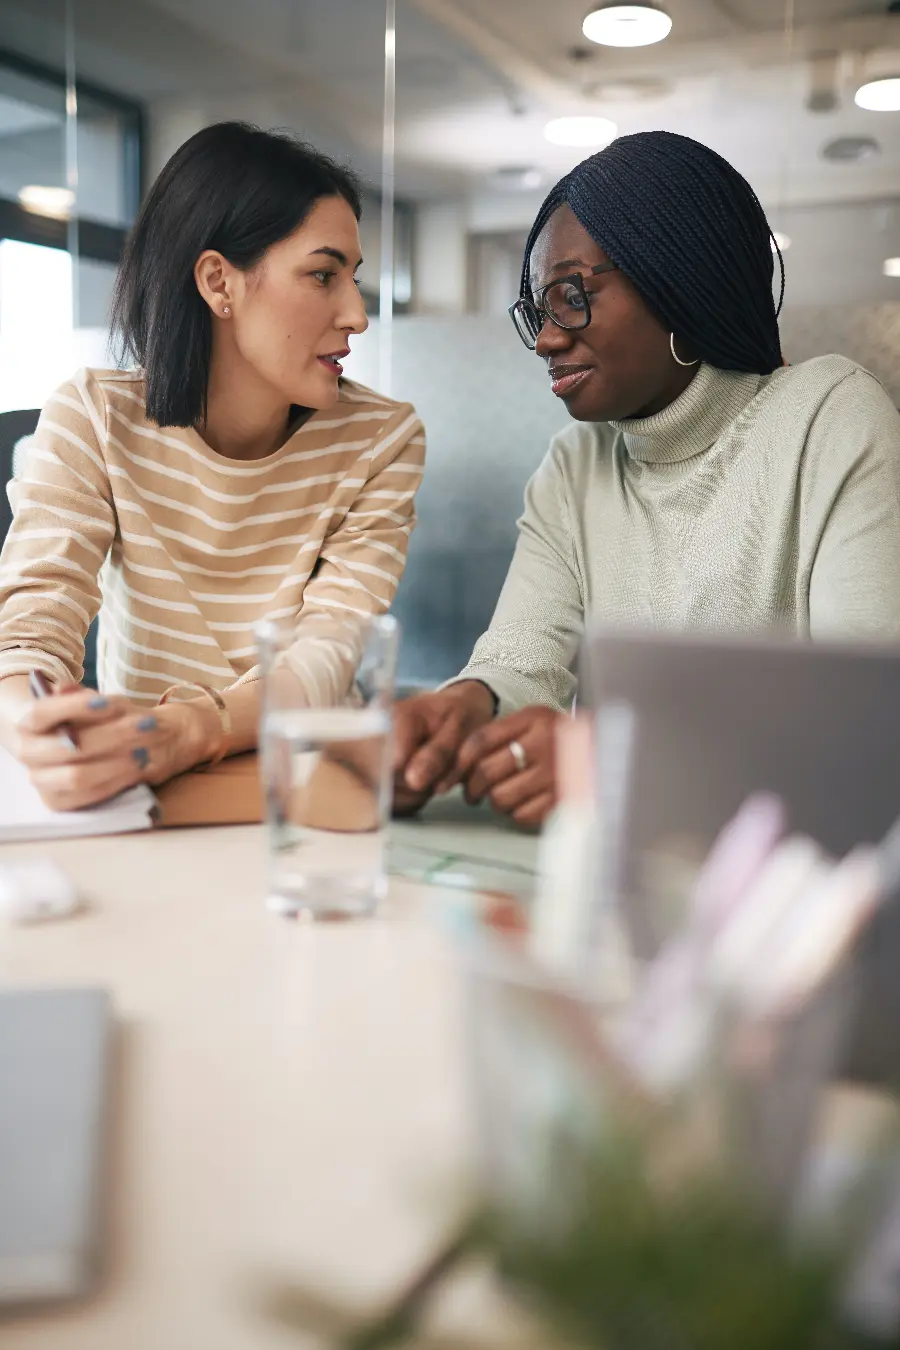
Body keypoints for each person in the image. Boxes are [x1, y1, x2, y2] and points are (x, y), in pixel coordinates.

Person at [393, 129, 900, 828]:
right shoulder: (575, 466)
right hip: (620, 888)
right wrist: (458, 708)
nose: (545, 337)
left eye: (571, 295)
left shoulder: (830, 419)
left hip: (781, 898)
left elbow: (871, 725)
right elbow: (521, 662)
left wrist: (621, 759)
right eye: (539, 310)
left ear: (680, 281)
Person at [0, 121, 425, 810]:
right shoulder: (96, 417)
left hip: (305, 791)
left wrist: (192, 729)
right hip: (136, 792)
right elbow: (31, 628)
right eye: (323, 275)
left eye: (354, 278)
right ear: (218, 281)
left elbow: (331, 652)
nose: (356, 314)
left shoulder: (380, 439)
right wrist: (37, 728)